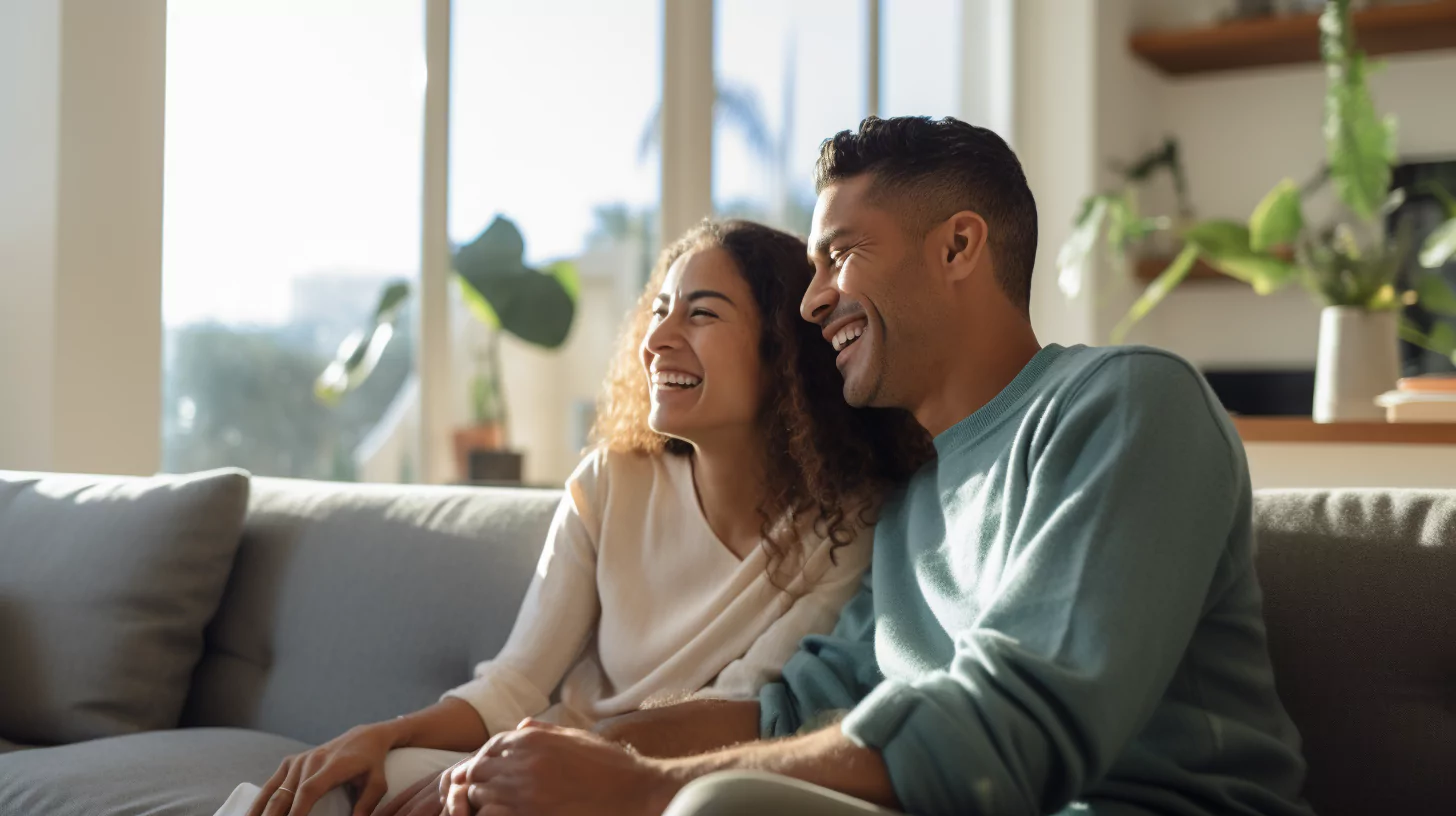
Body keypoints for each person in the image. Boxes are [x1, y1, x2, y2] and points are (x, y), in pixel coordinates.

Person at [433, 116, 1315, 816]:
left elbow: (1014, 730)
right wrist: (578, 751)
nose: (814, 301)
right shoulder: (910, 508)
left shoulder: (1128, 407)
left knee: (715, 811)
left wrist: (644, 790)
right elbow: (794, 711)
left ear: (959, 248)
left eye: (843, 254)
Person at [217, 219, 931, 816]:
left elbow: (748, 707)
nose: (658, 340)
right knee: (317, 797)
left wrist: (547, 763)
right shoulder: (610, 483)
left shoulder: (847, 527)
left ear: (786, 357)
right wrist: (383, 737)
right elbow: (515, 686)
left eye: (702, 313)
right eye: (659, 311)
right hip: (532, 759)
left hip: (663, 787)